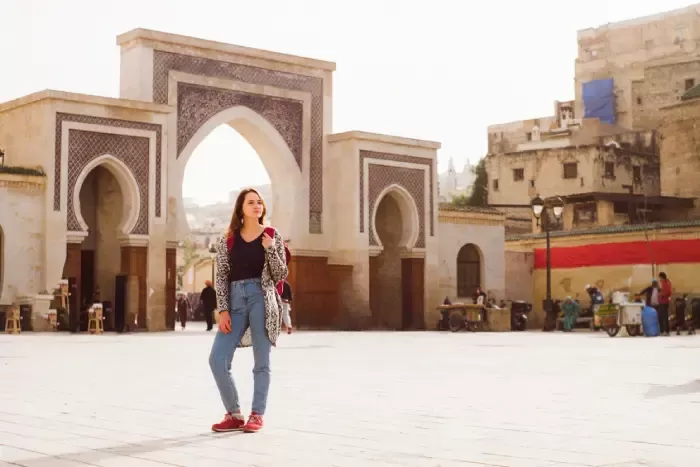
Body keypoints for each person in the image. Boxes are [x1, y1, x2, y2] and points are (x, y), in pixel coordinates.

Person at [208, 188, 288, 434]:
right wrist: (223, 310)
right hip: (234, 300)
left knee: (261, 361)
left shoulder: (272, 235)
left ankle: (257, 414)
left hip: (261, 298)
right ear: (241, 209)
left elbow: (281, 274)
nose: (257, 206)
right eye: (251, 202)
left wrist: (271, 249)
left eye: (259, 202)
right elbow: (221, 275)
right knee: (217, 359)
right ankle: (233, 414)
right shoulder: (228, 239)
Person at [658, 272, 673, 336]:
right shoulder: (667, 282)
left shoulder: (665, 283)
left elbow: (667, 292)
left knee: (663, 317)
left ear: (662, 277)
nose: (659, 279)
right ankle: (664, 330)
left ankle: (665, 331)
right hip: (664, 302)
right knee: (663, 316)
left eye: (660, 277)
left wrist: (661, 295)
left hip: (663, 302)